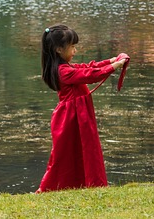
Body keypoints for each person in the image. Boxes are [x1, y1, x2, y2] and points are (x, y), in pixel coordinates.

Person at [37, 24, 129, 193]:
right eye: (72, 47)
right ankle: (53, 186)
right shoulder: (63, 71)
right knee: (67, 154)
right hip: (70, 119)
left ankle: (84, 183)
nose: (75, 50)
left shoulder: (66, 67)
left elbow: (88, 67)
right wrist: (116, 65)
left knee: (84, 150)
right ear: (58, 49)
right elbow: (90, 75)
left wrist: (110, 61)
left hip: (77, 116)